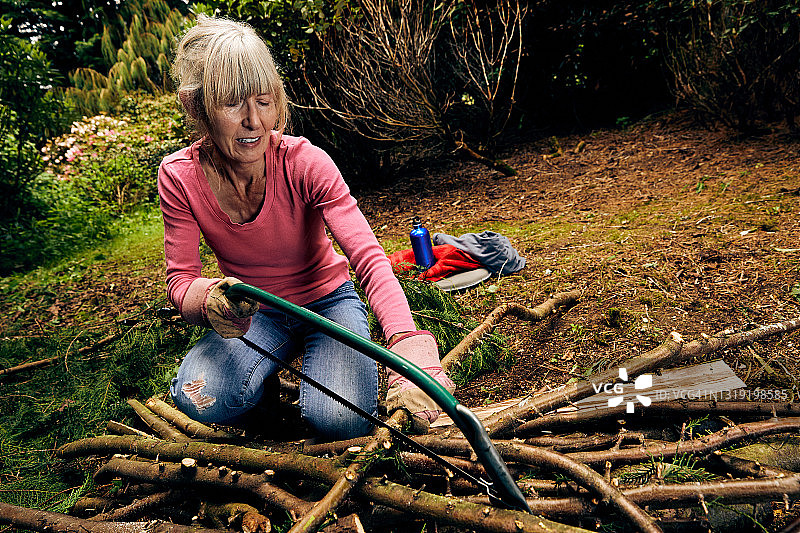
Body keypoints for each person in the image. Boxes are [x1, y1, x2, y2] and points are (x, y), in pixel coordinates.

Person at [158, 15, 454, 440]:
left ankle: (322, 364)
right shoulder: (179, 177)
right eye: (232, 104)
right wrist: (207, 299)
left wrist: (408, 344)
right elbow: (180, 280)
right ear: (196, 107)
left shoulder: (304, 162)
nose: (253, 121)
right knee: (199, 396)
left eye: (263, 101)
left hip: (327, 304)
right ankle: (263, 388)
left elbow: (368, 258)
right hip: (254, 315)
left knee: (340, 420)